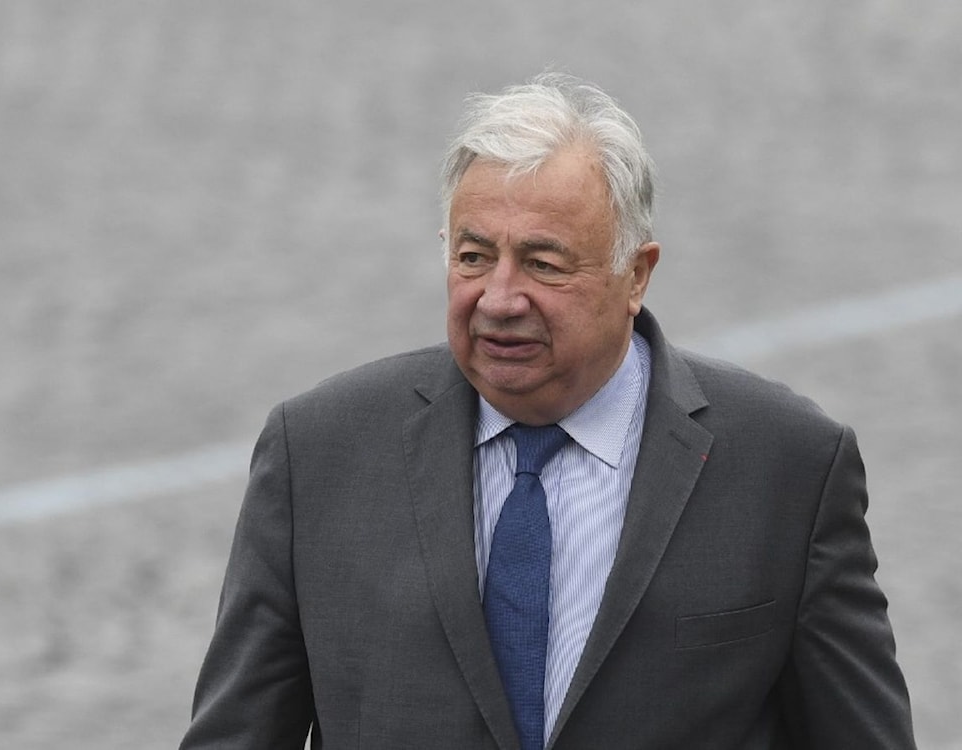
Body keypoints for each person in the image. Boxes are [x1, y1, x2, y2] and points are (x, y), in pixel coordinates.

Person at [180, 73, 915, 749]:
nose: (499, 299)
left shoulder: (789, 467)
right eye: (473, 257)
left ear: (636, 276)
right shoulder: (317, 455)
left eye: (543, 264)